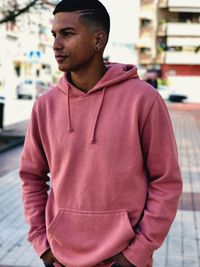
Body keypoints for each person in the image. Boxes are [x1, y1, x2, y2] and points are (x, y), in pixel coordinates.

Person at [19, 1, 182, 267]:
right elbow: (31, 177)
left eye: (67, 33)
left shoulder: (144, 100)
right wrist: (42, 244)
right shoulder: (45, 106)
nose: (56, 44)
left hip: (123, 259)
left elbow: (166, 182)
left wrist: (137, 253)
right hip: (61, 258)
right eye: (54, 35)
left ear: (98, 40)